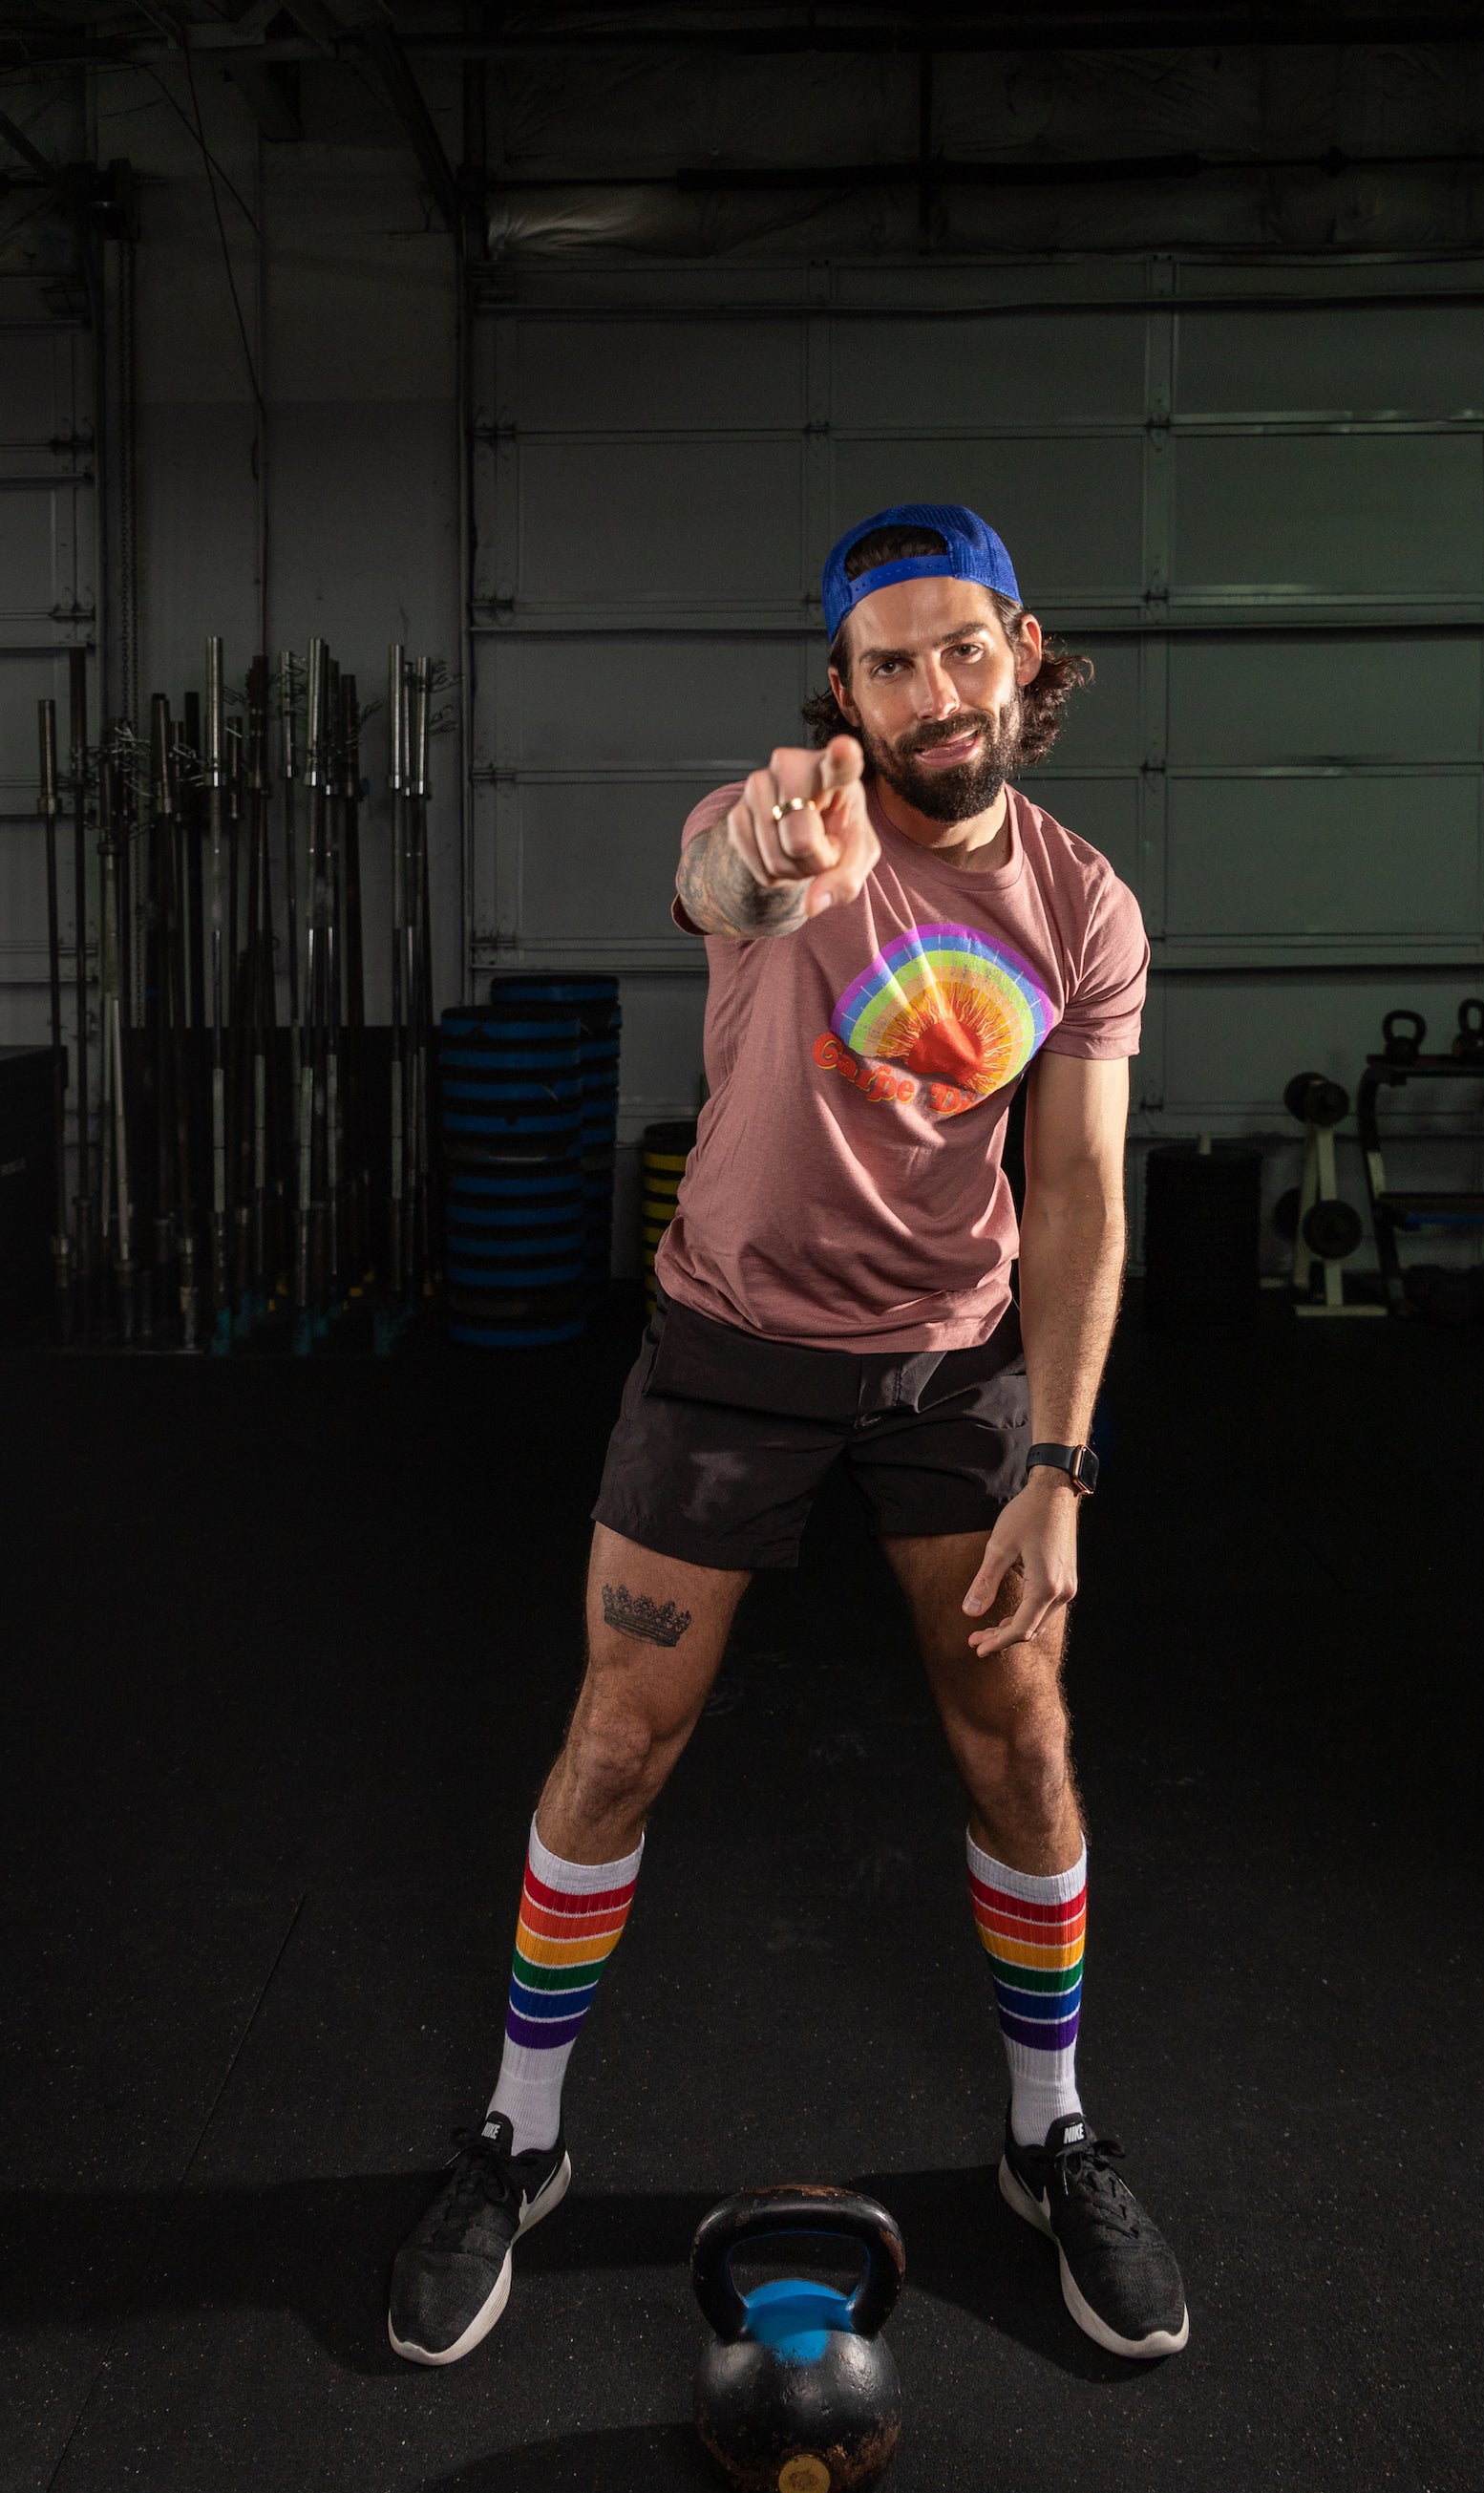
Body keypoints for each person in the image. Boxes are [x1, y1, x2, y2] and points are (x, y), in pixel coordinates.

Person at [390, 502, 1189, 2370]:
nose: (932, 693)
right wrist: (759, 857)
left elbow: (1075, 1193)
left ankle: (1048, 2138)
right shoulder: (784, 836)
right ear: (841, 690)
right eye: (888, 664)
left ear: (1022, 649)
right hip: (730, 1350)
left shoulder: (1084, 909)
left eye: (960, 648)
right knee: (619, 1735)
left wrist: (1059, 1471)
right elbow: (720, 887)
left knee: (1021, 1737)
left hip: (952, 1367)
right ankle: (518, 2140)